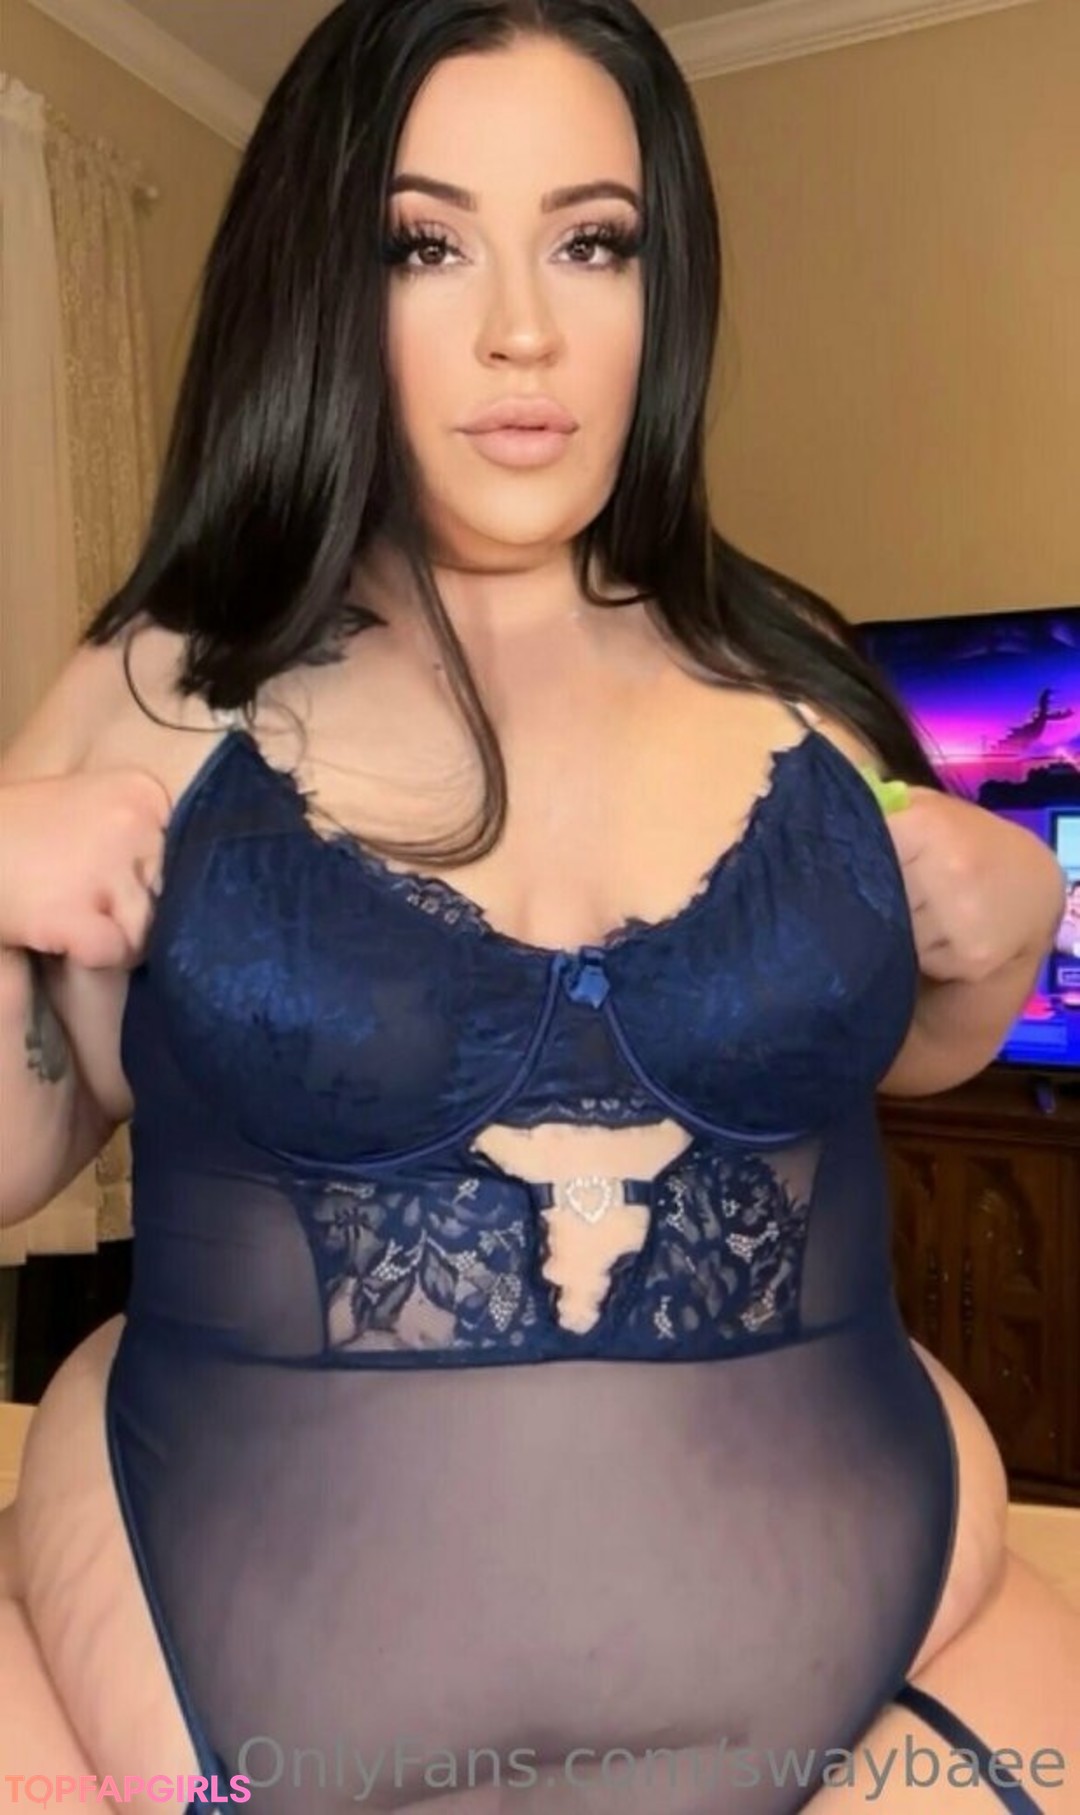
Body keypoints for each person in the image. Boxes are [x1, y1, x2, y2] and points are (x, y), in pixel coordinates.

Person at [1, 2, 1077, 1811]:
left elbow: (898, 1057)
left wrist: (1017, 915)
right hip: (251, 1720)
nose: (526, 328)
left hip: (883, 1659)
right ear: (319, 288)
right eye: (425, 247)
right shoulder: (163, 689)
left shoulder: (798, 687)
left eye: (593, 242)